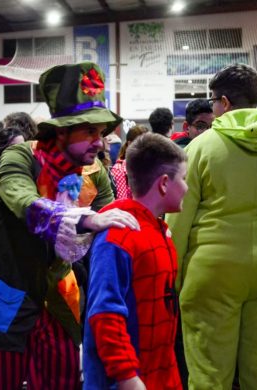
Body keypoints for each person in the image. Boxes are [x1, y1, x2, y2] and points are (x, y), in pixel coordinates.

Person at [0, 62, 138, 389]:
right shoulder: (19, 157)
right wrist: (86, 219)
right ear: (61, 132)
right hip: (5, 292)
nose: (100, 143)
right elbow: (23, 199)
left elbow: (107, 210)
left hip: (59, 297)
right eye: (90, 132)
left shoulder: (82, 170)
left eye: (101, 134)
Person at [166, 64, 257, 389]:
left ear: (224, 103)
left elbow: (179, 217)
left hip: (214, 271)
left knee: (210, 374)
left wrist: (172, 276)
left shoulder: (200, 148)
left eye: (212, 101)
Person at [84, 132, 186, 390]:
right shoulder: (117, 236)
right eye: (183, 179)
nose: (187, 187)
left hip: (158, 375)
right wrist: (128, 377)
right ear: (164, 183)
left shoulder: (158, 231)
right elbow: (105, 314)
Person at [111, 125, 149, 200]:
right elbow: (122, 203)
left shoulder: (151, 168)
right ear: (130, 144)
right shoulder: (119, 170)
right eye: (142, 145)